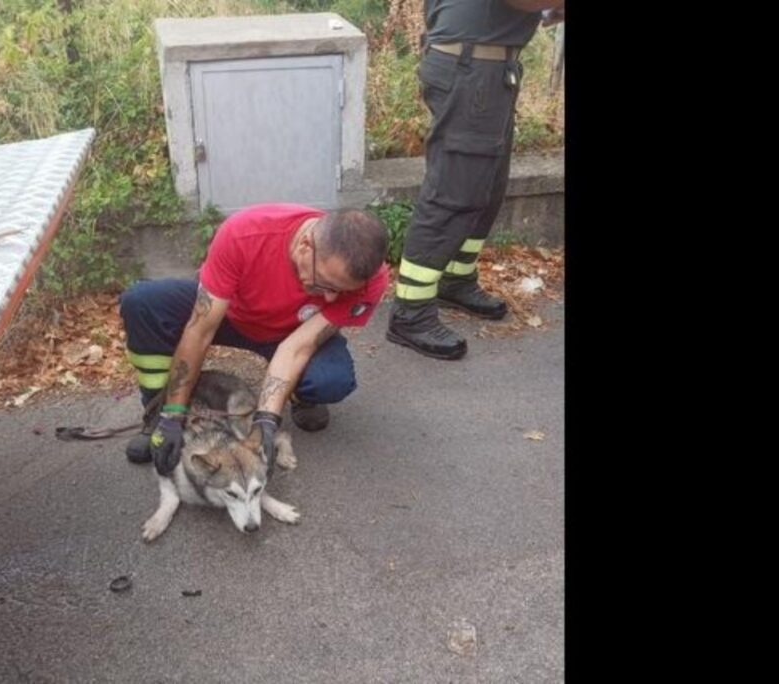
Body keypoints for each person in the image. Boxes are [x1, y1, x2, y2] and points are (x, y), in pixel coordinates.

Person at [118, 203, 390, 475]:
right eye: (324, 284)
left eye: (339, 292)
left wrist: (266, 421)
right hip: (231, 314)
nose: (329, 298)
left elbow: (299, 346)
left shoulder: (369, 279)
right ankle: (157, 412)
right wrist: (173, 414)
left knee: (331, 379)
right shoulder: (245, 234)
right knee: (142, 302)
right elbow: (200, 330)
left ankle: (302, 395)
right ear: (305, 245)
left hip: (292, 331)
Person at [387, 0, 564, 360]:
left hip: (486, 70)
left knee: (486, 187)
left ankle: (455, 279)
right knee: (453, 192)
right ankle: (411, 312)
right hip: (471, 71)